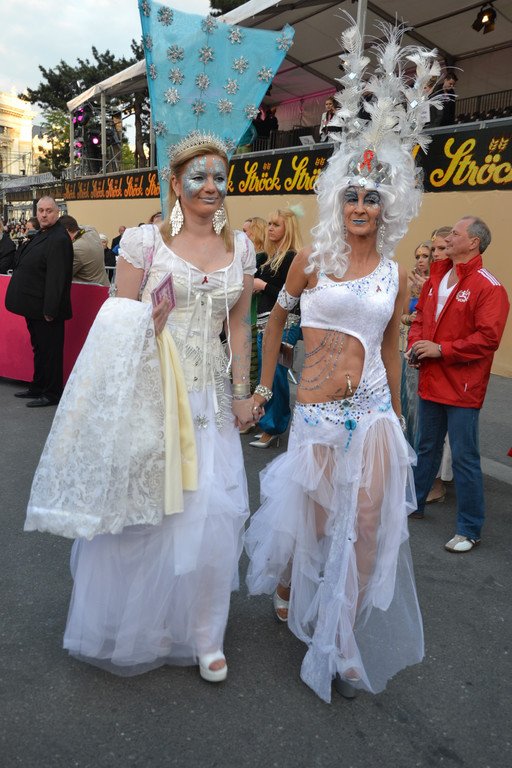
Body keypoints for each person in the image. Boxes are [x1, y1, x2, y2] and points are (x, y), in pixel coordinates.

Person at [245, 20, 436, 703]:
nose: (360, 205)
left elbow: (389, 346)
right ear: (338, 200)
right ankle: (293, 580)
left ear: (388, 207)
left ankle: (340, 640)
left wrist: (401, 416)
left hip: (375, 408)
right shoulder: (312, 259)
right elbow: (275, 316)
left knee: (367, 525)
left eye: (371, 197)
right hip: (317, 411)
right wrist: (266, 381)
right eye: (351, 195)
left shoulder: (395, 273)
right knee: (320, 520)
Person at [25, 135, 258, 682]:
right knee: (149, 515)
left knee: (212, 518)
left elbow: (240, 325)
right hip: (153, 395)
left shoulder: (242, 249)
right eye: (198, 176)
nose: (210, 186)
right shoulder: (143, 242)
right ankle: (141, 621)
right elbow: (114, 319)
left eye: (219, 177)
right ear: (175, 183)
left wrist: (244, 391)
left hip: (210, 404)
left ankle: (205, 632)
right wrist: (143, 325)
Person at [407, 216, 509, 552]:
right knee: (426, 447)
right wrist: (415, 345)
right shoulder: (437, 277)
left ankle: (469, 528)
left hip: (463, 386)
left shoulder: (489, 287)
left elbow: (488, 339)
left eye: (455, 233)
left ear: (473, 242)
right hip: (432, 378)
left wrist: (441, 349)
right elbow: (421, 317)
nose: (447, 238)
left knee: (465, 457)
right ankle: (414, 504)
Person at [4, 197, 73, 407]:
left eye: (49, 210)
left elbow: (57, 278)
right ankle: (38, 386)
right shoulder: (43, 234)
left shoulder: (59, 238)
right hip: (34, 306)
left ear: (57, 212)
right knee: (40, 349)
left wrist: (50, 310)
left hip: (46, 309)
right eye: (41, 210)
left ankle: (51, 393)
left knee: (50, 352)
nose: (44, 214)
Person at [250, 208, 302, 448]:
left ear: (287, 228)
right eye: (269, 224)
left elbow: (291, 294)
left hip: (284, 323)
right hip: (265, 322)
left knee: (278, 376)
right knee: (267, 374)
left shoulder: (292, 258)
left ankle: (275, 427)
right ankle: (267, 424)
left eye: (276, 224)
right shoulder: (270, 257)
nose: (270, 228)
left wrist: (262, 286)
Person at [400, 241, 432, 448]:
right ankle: (408, 447)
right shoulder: (411, 285)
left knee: (425, 403)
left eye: (425, 256)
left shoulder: (440, 284)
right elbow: (402, 316)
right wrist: (409, 319)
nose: (421, 260)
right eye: (418, 256)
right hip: (411, 345)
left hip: (431, 347)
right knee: (409, 399)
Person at [60, 215, 110, 286]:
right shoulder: (91, 231)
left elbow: (63, 274)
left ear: (66, 231)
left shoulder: (76, 249)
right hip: (103, 285)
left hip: (90, 289)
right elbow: (84, 228)